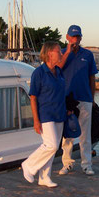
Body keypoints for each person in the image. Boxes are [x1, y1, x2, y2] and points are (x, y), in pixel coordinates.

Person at [21, 41, 66, 188]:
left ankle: (44, 177)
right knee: (51, 145)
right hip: (45, 114)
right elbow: (33, 97)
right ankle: (28, 165)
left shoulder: (59, 72)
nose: (61, 53)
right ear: (49, 54)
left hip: (59, 113)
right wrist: (36, 120)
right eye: (58, 51)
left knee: (53, 148)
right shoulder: (38, 73)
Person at [57, 25, 98, 176]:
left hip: (84, 98)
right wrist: (67, 52)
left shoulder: (87, 55)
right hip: (66, 99)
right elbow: (57, 68)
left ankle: (87, 164)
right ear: (67, 37)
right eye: (73, 37)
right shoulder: (60, 53)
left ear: (81, 38)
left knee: (85, 134)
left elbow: (92, 77)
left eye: (78, 37)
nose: (75, 40)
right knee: (67, 134)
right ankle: (67, 163)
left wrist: (92, 98)